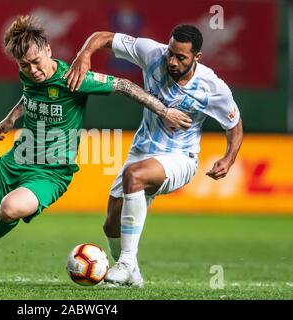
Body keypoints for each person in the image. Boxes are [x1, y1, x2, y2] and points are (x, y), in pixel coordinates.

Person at [0, 16, 192, 287]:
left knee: (9, 210)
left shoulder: (74, 79)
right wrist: (11, 118)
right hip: (17, 159)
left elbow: (124, 86)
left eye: (36, 62)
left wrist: (163, 111)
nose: (32, 70)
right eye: (24, 65)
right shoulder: (27, 74)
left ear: (48, 51)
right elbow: (29, 98)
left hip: (51, 172)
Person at [64, 25, 243, 287]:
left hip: (181, 157)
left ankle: (125, 262)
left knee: (133, 175)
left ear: (197, 57)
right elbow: (103, 37)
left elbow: (234, 125)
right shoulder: (152, 53)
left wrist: (229, 158)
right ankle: (133, 274)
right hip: (142, 149)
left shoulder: (213, 88)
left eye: (181, 57)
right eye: (171, 53)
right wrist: (84, 55)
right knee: (111, 226)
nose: (172, 61)